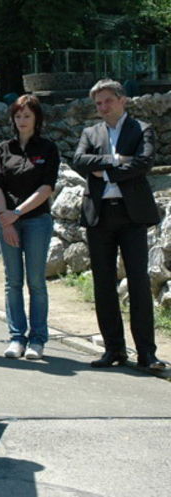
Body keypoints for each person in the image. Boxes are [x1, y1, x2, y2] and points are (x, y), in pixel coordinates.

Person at [72, 79, 166, 372]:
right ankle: (113, 349)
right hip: (100, 216)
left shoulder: (141, 129)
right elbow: (79, 160)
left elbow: (144, 162)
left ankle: (146, 354)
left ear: (122, 100)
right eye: (98, 103)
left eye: (107, 101)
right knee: (103, 284)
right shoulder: (91, 131)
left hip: (131, 216)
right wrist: (115, 159)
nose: (102, 107)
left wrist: (106, 172)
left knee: (138, 283)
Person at [0, 95, 60, 360]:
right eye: (18, 116)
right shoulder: (3, 148)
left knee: (35, 281)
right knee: (13, 281)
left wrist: (17, 213)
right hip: (6, 221)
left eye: (27, 116)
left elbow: (46, 188)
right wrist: (4, 217)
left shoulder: (48, 148)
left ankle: (38, 339)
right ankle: (16, 337)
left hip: (36, 220)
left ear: (36, 119)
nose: (22, 121)